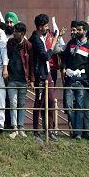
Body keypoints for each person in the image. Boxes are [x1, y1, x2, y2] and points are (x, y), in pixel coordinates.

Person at [61, 21, 89, 140]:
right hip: (70, 80)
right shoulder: (71, 43)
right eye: (77, 29)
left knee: (81, 107)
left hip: (82, 80)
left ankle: (78, 133)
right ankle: (76, 130)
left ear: (85, 31)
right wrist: (64, 68)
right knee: (69, 107)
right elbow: (64, 57)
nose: (78, 32)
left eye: (80, 30)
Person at [30, 13, 62, 141]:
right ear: (39, 27)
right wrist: (54, 43)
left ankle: (49, 130)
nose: (47, 28)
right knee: (39, 103)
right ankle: (36, 132)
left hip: (47, 73)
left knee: (50, 101)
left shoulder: (43, 37)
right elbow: (46, 56)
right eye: (45, 26)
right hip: (40, 75)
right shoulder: (35, 40)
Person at [6, 22, 33, 138]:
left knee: (21, 104)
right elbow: (6, 57)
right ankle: (14, 128)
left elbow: (31, 64)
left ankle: (21, 127)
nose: (14, 33)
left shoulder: (28, 45)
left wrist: (31, 80)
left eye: (16, 31)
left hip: (23, 80)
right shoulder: (10, 43)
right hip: (12, 78)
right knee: (13, 103)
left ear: (22, 33)